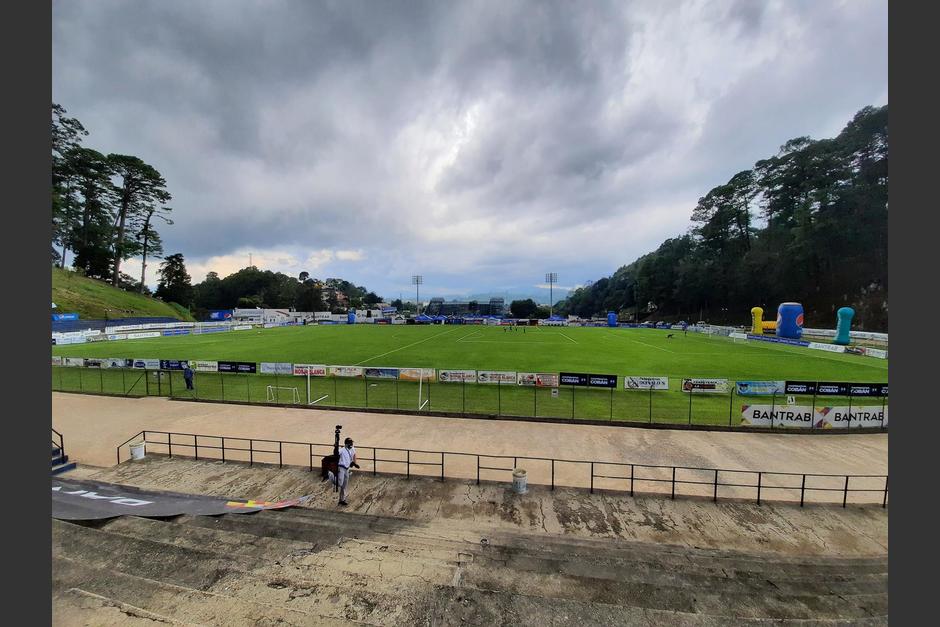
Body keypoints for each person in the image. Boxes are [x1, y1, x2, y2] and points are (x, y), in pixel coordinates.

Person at [337, 436, 359, 506]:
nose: (352, 444)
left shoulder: (352, 449)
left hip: (347, 469)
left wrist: (355, 463)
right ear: (347, 444)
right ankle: (331, 477)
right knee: (340, 483)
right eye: (350, 443)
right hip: (341, 468)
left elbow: (354, 455)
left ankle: (342, 500)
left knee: (344, 485)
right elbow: (336, 454)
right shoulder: (342, 450)